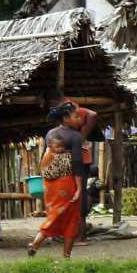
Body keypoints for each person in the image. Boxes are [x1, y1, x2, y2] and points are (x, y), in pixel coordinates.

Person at [44, 89, 98, 234]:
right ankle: (71, 232)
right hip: (69, 164)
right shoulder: (61, 126)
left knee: (77, 196)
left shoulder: (69, 107)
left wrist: (82, 134)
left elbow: (92, 114)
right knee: (72, 196)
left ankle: (79, 234)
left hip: (77, 162)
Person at [28, 122, 82, 258]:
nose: (60, 149)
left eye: (62, 146)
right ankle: (35, 245)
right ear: (50, 146)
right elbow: (70, 170)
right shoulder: (63, 157)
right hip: (62, 194)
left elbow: (46, 174)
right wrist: (78, 188)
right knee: (61, 220)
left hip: (62, 194)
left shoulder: (47, 158)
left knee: (63, 220)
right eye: (57, 146)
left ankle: (65, 255)